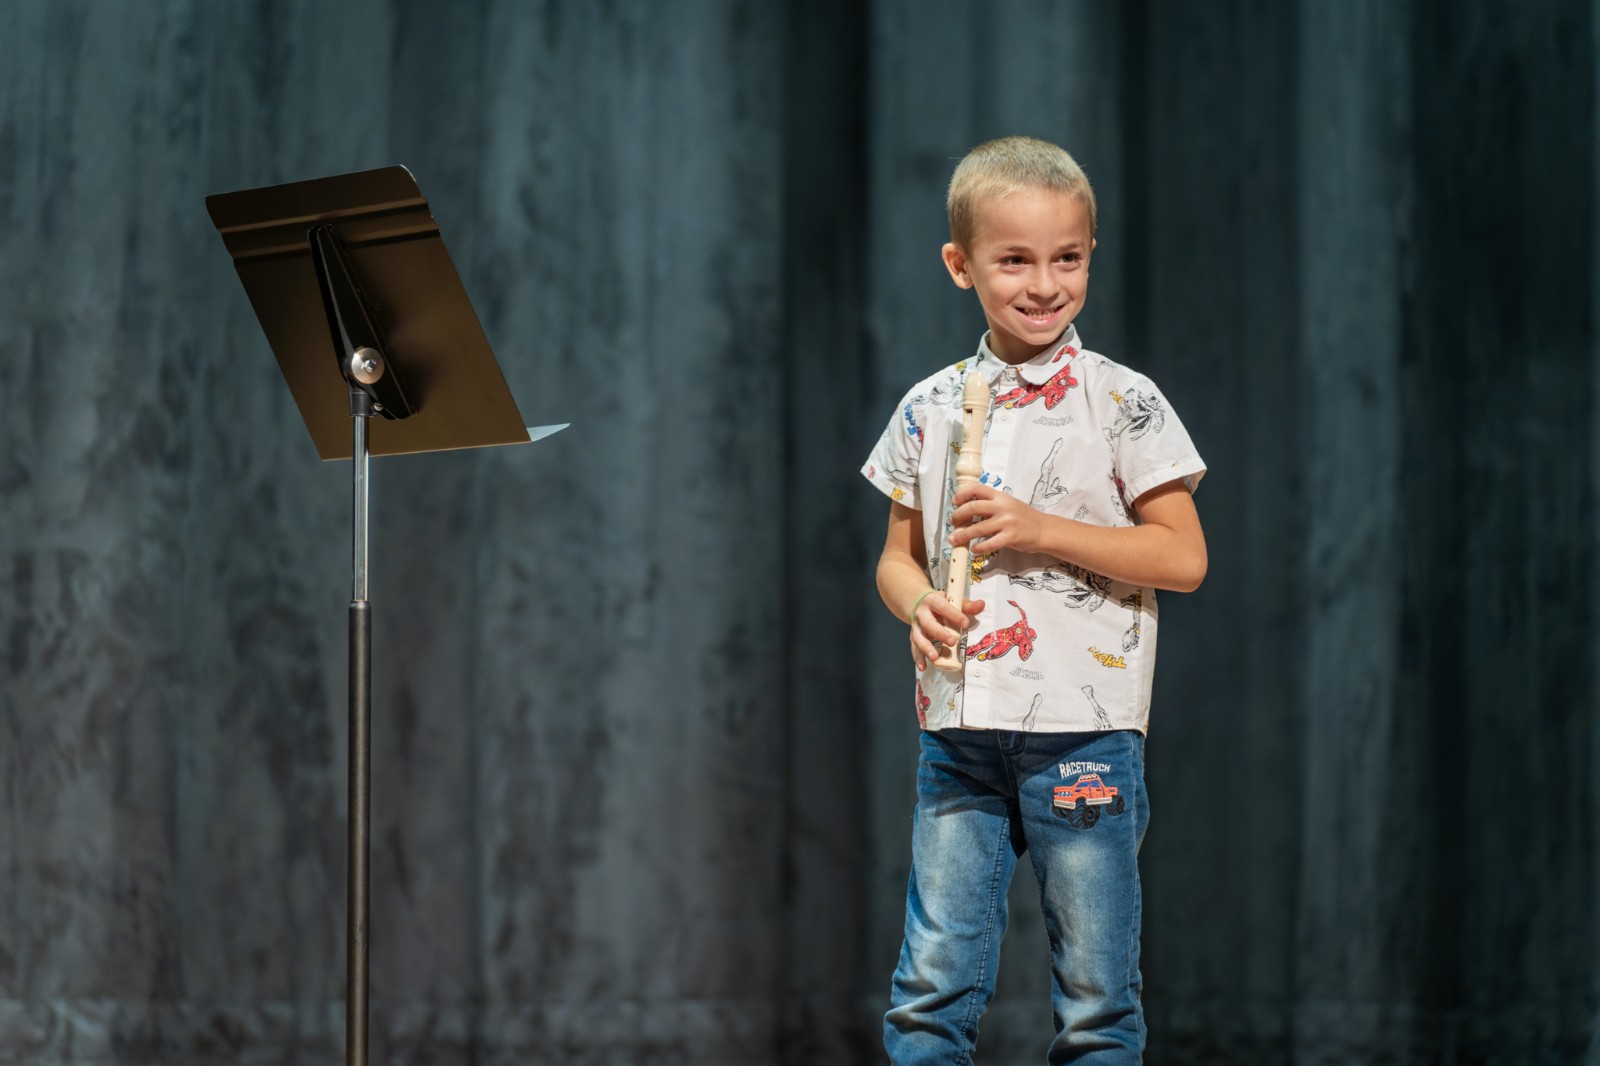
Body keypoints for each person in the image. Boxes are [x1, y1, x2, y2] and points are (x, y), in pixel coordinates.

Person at [861, 135, 1208, 1064]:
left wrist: (1039, 528)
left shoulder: (1122, 400)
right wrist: (916, 605)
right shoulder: (930, 405)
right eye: (1014, 260)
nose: (1045, 284)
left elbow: (1183, 558)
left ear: (1091, 255)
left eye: (1068, 258)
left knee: (1096, 1003)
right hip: (958, 734)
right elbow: (897, 561)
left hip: (1083, 734)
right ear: (960, 265)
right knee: (929, 994)